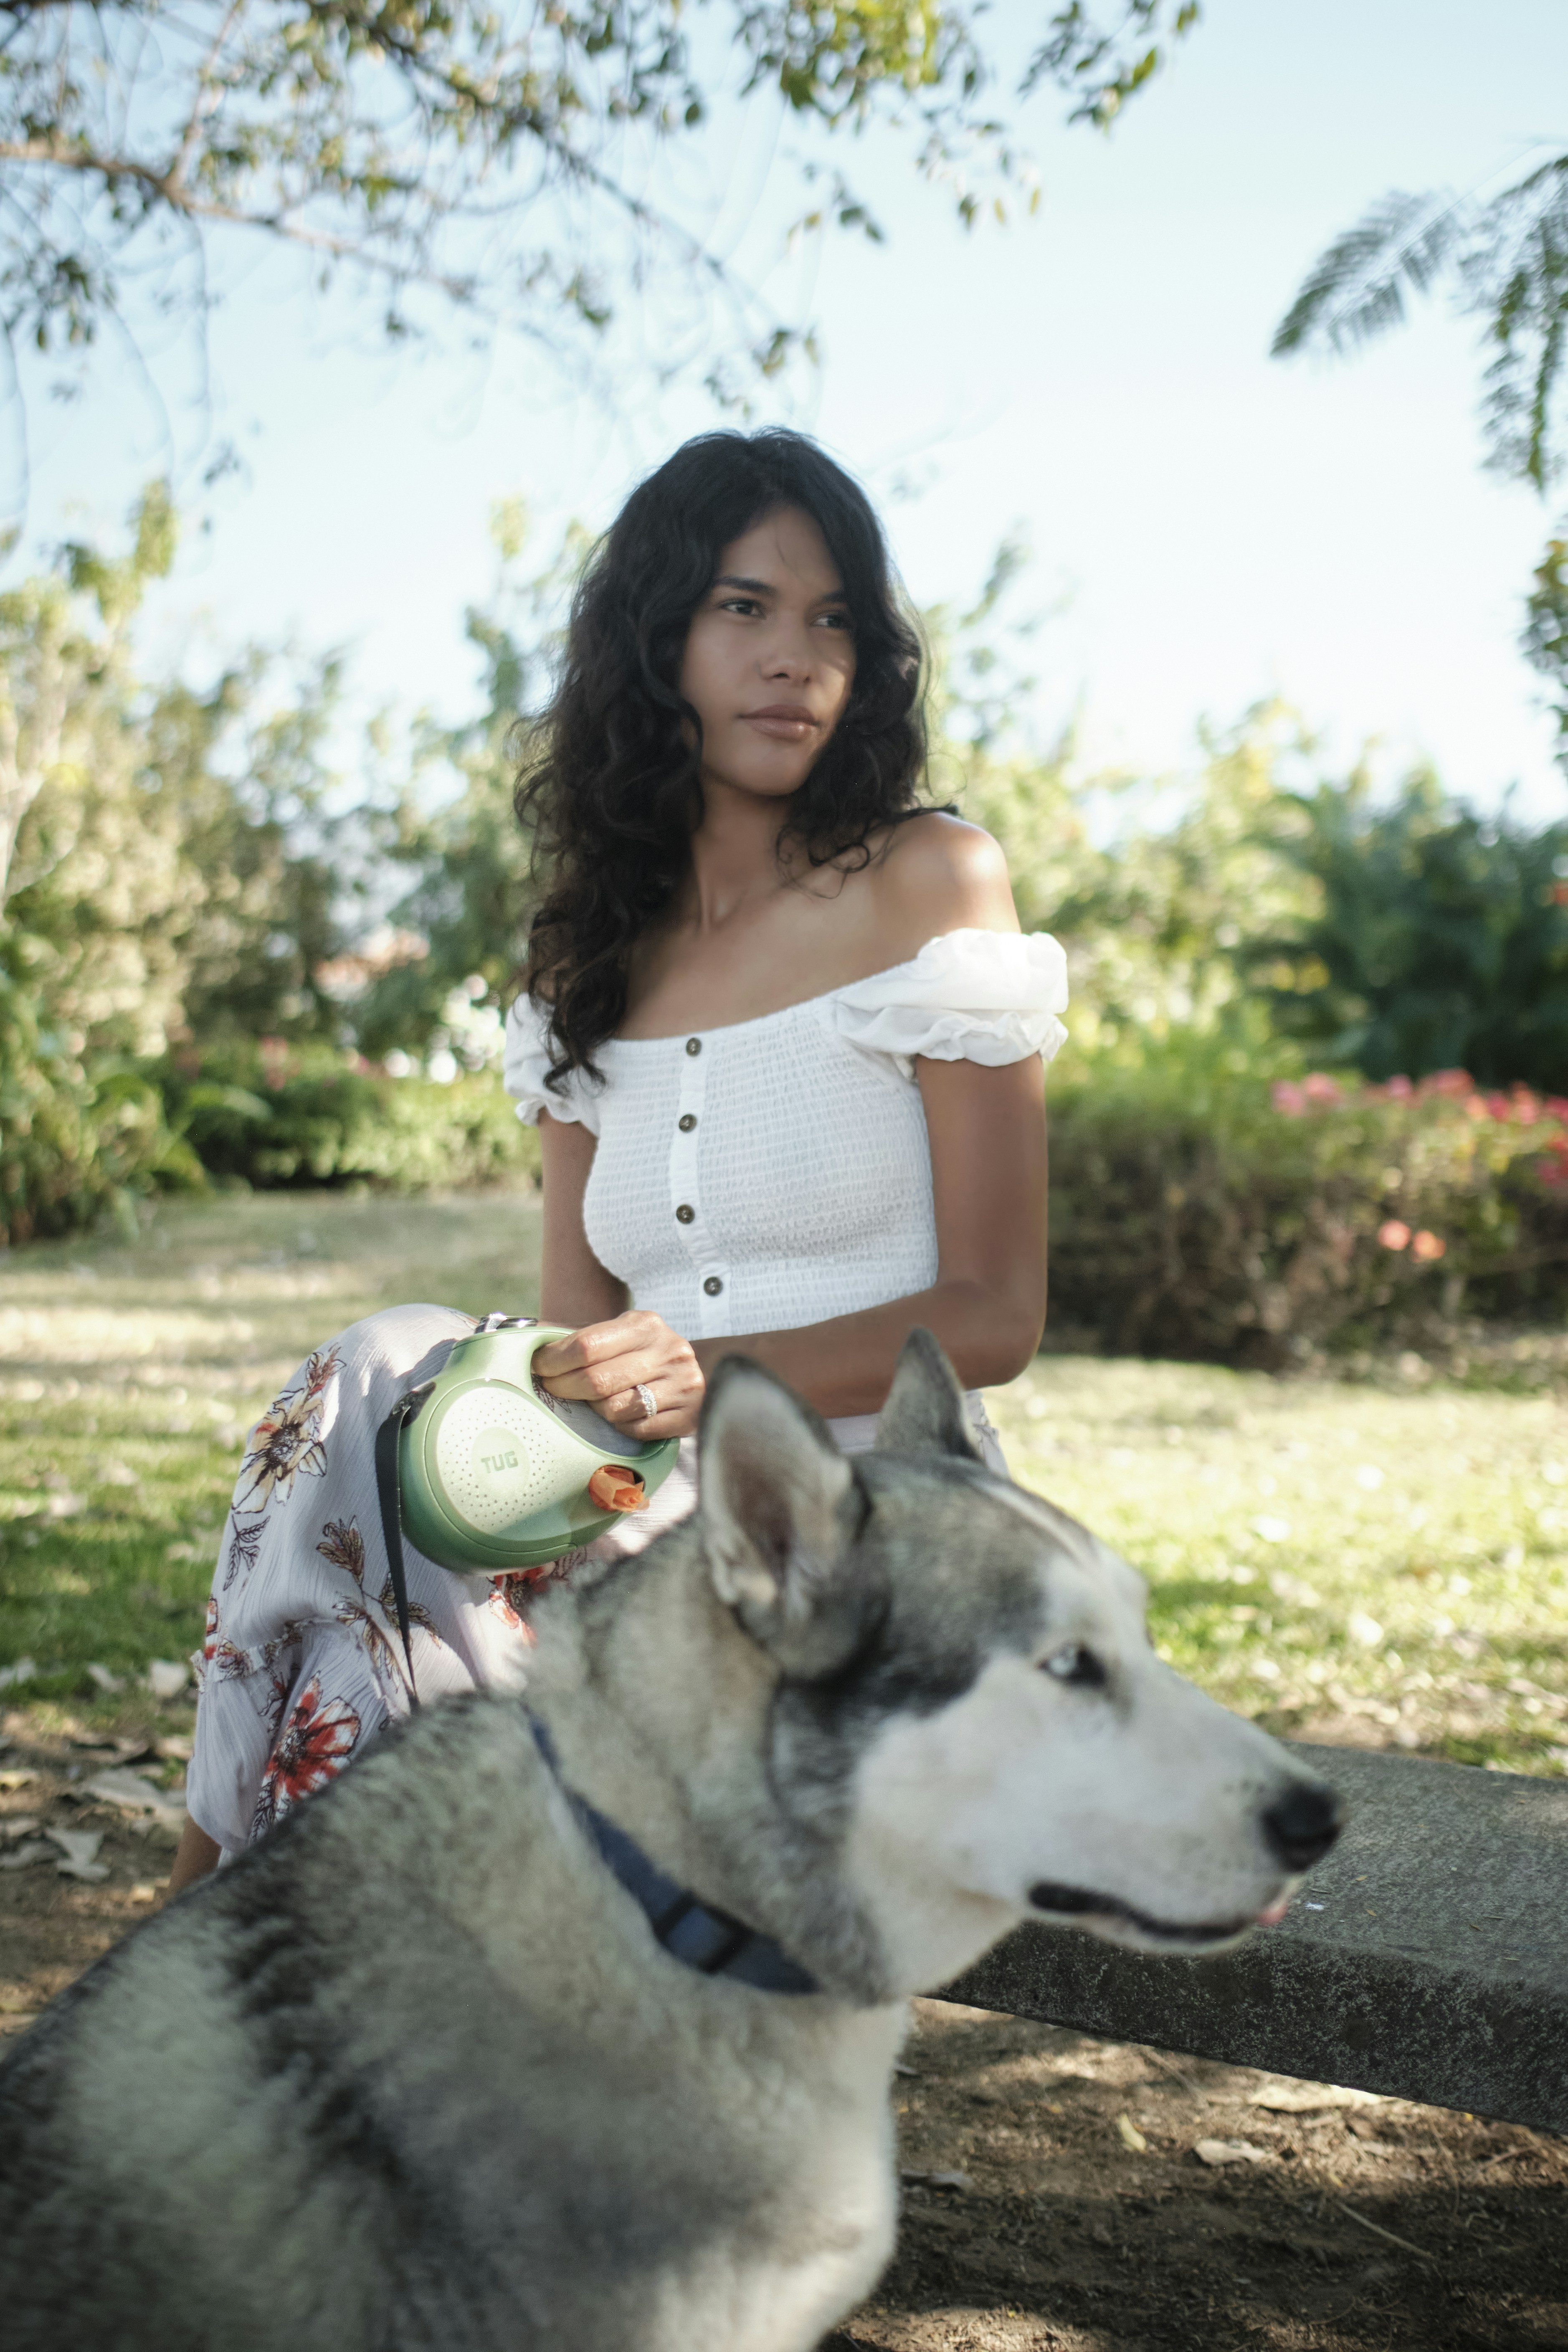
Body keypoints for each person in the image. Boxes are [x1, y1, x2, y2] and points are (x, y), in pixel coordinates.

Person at [169, 428, 1066, 1894]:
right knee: (371, 1407)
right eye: (744, 607)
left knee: (375, 1461)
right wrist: (569, 1396)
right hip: (636, 1513)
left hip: (871, 1526)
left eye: (833, 620)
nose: (795, 658)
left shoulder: (928, 881)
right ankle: (246, 1922)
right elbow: (573, 1339)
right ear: (656, 641)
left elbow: (995, 1317)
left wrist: (709, 1373)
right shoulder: (583, 960)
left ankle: (205, 1930)